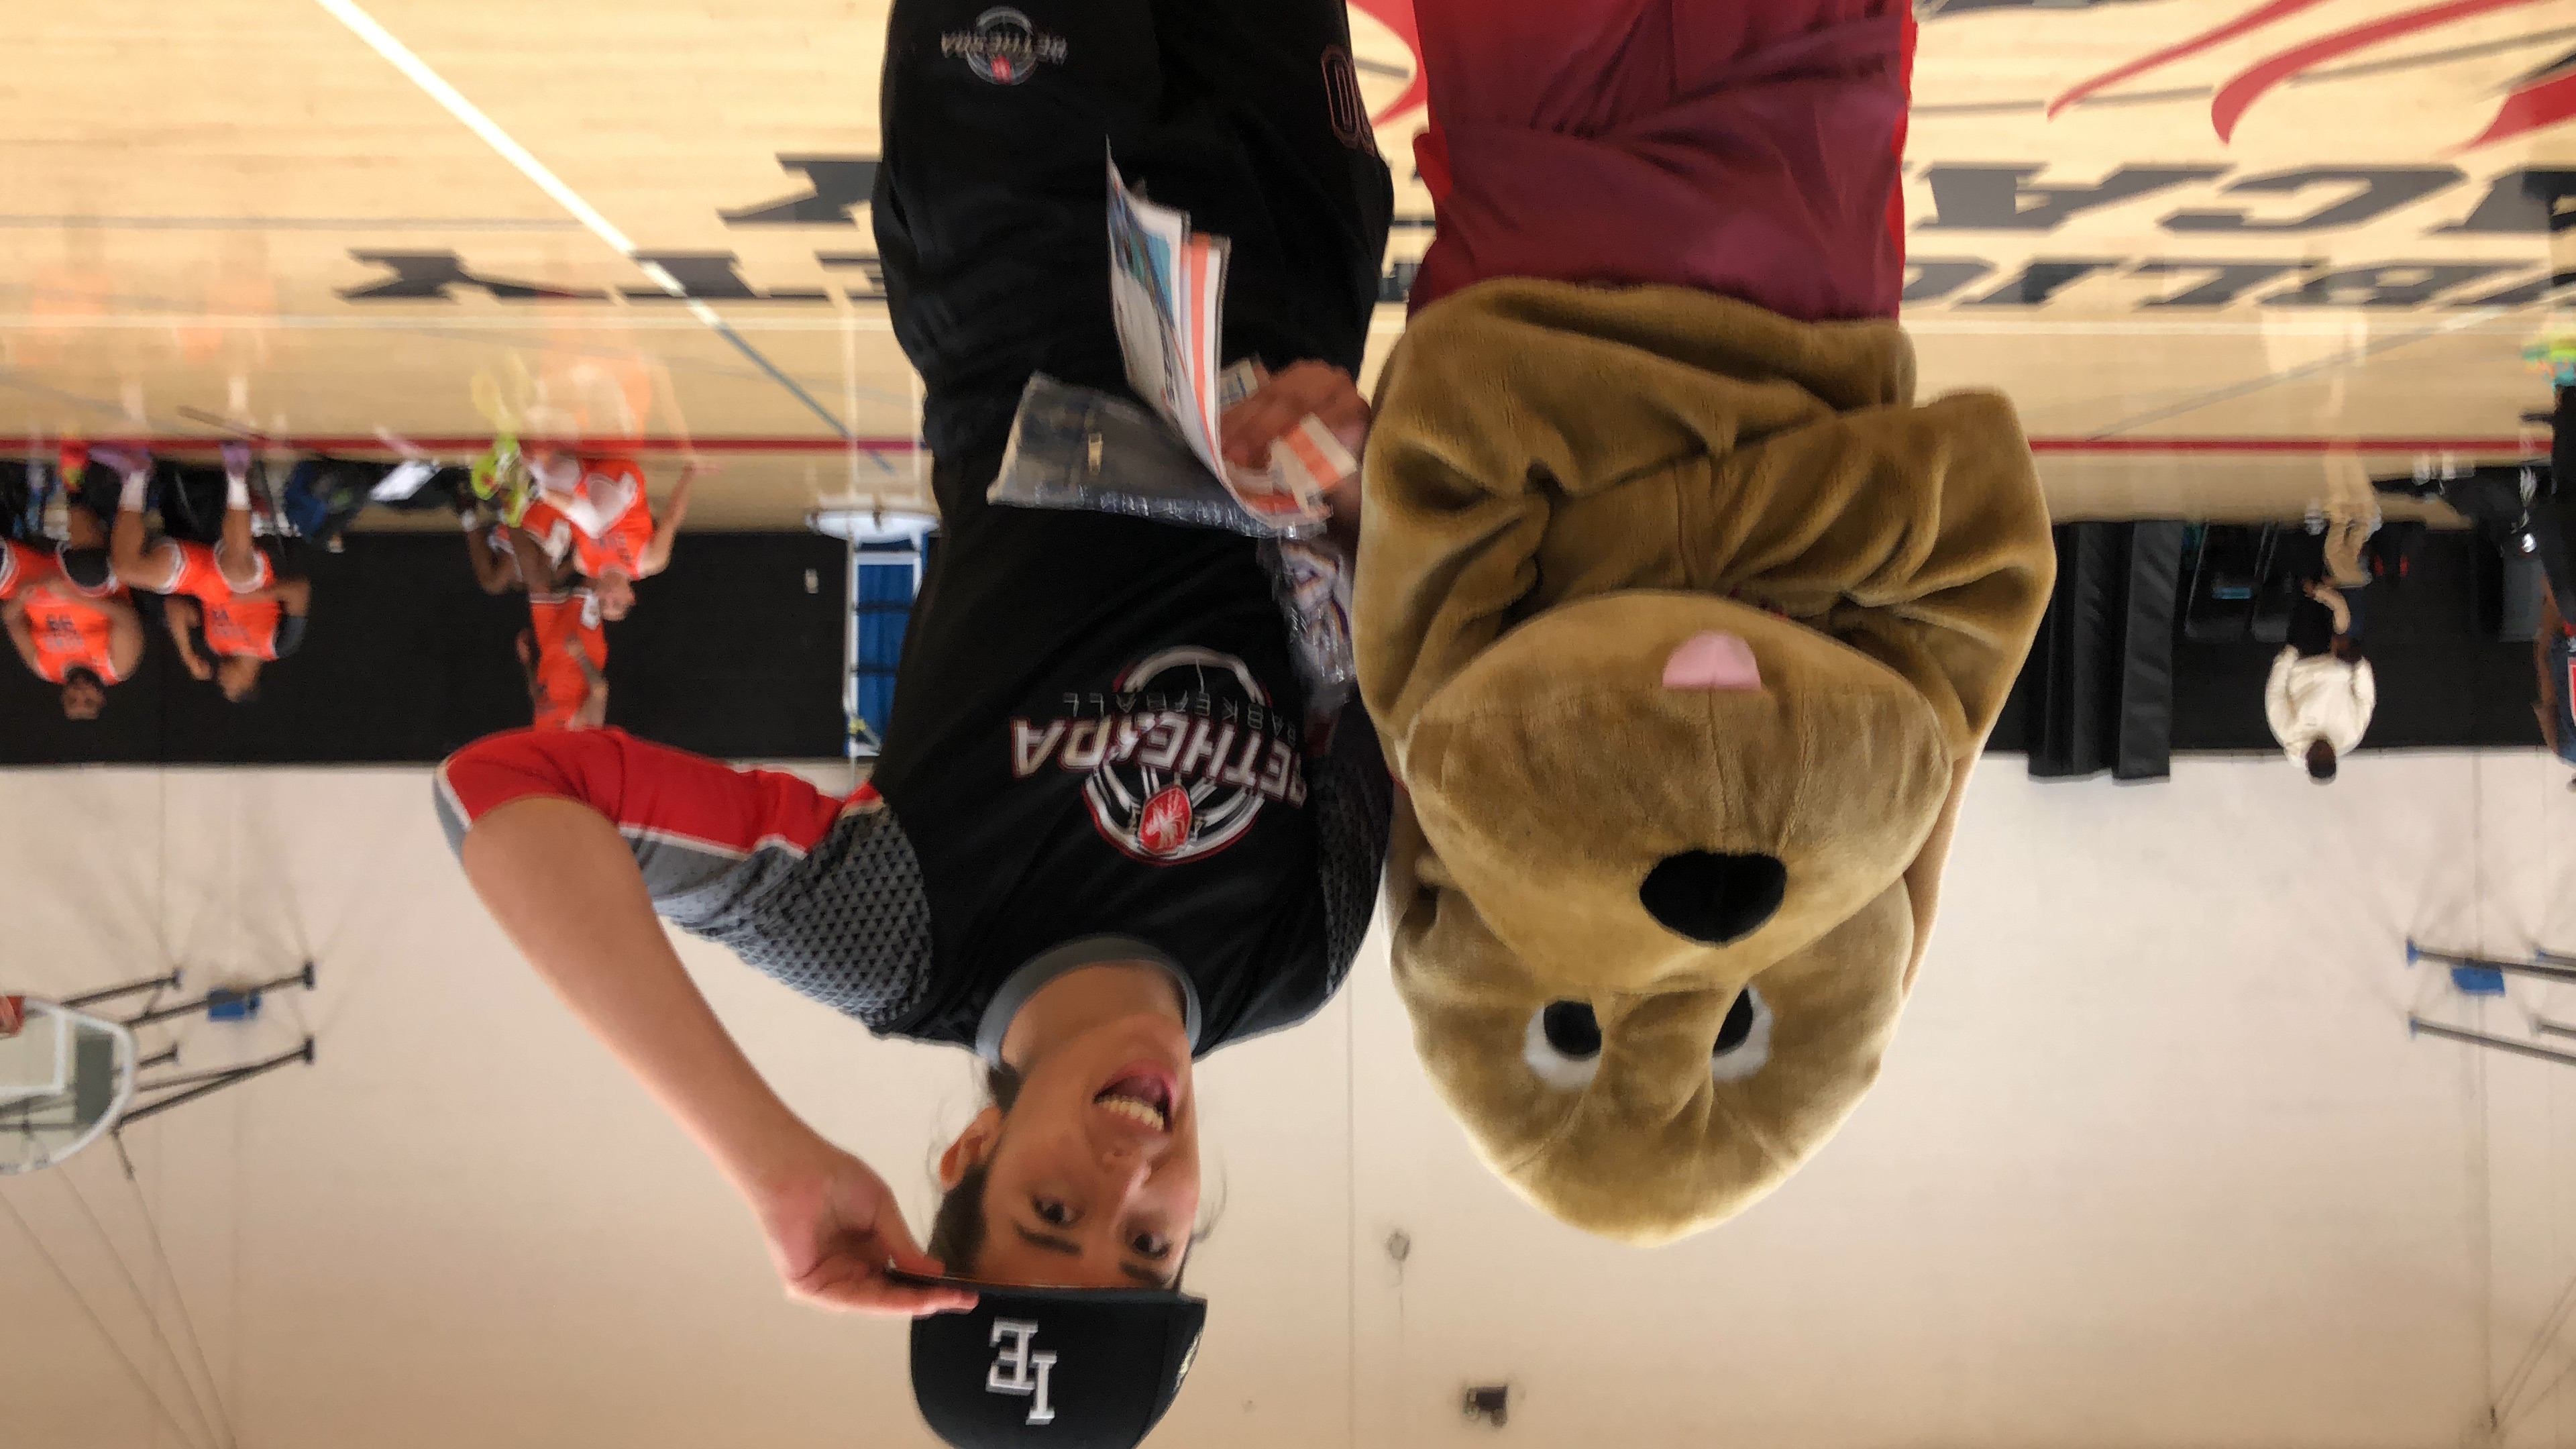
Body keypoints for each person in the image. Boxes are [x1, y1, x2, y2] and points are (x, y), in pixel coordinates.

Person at [443, 0, 1391, 1442]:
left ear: (973, 1147)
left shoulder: (902, 936)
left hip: (1026, 222)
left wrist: (768, 1160)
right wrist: (1362, 484)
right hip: (1291, 248)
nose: (1131, 1183)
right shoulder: (1300, 951)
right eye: (1149, 1247)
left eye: (1053, 1212)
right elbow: (1390, 625)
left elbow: (504, 793)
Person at [99, 443, 309, 704]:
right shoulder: (278, 646)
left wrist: (187, 654)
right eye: (228, 688)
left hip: (204, 581)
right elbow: (300, 591)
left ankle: (136, 474)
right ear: (247, 683)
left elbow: (176, 607)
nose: (220, 682)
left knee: (125, 569)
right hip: (246, 578)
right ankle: (237, 473)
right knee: (237, 572)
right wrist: (251, 598)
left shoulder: (213, 646)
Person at [516, 451, 696, 621]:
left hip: (588, 479)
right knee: (597, 526)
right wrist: (690, 473)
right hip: (623, 481)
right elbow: (671, 519)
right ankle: (538, 490)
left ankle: (514, 463)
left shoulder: (583, 564)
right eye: (616, 602)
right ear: (631, 596)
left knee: (541, 469)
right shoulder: (650, 562)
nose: (609, 595)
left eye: (603, 602)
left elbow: (573, 517)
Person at [1, 534, 141, 720]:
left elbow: (11, 620)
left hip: (31, 582)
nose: (80, 694)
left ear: (63, 697)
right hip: (88, 585)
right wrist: (72, 596)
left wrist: (20, 598)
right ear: (101, 698)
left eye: (72, 700)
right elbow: (126, 617)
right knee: (86, 568)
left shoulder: (43, 668)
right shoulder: (117, 667)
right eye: (89, 701)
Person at [2267, 580, 2373, 782]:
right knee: (2344, 599)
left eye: (2318, 753)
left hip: (2304, 653)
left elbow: (2276, 693)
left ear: (2308, 759)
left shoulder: (2288, 735)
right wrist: (2358, 663)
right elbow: (2365, 696)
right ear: (2335, 757)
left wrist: (2290, 653)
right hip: (2342, 653)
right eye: (2328, 753)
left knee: (2305, 594)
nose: (2323, 748)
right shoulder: (2351, 736)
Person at [519, 588, 609, 732]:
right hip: (578, 646)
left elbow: (539, 699)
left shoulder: (542, 735)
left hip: (549, 649)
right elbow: (600, 690)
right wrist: (580, 655)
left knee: (539, 584)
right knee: (589, 585)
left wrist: (527, 662)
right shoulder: (583, 733)